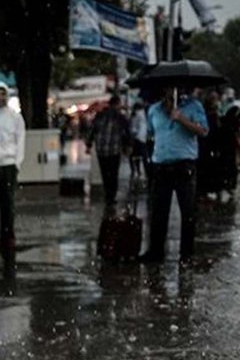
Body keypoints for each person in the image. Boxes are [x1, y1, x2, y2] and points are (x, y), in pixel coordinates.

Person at [142, 87, 208, 263]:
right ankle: (156, 252)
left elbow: (203, 131)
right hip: (161, 165)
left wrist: (181, 119)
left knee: (187, 213)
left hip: (184, 166)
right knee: (158, 213)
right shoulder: (154, 109)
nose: (170, 94)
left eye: (173, 90)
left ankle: (186, 254)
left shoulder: (194, 107)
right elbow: (150, 133)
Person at [0, 82, 26, 251]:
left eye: (3, 94)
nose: (0, 97)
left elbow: (21, 140)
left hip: (9, 164)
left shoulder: (15, 116)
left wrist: (17, 162)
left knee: (8, 203)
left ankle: (8, 235)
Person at [86, 94, 130, 207]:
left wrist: (88, 144)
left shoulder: (99, 115)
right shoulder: (119, 117)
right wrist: (127, 146)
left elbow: (92, 130)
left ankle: (108, 196)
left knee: (105, 174)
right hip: (114, 150)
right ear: (117, 104)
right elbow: (126, 133)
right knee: (113, 174)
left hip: (101, 150)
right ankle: (111, 196)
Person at [129, 100, 149, 180]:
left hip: (136, 137)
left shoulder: (135, 114)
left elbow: (133, 127)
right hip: (142, 138)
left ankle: (135, 170)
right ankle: (145, 171)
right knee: (144, 156)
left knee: (133, 156)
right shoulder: (144, 113)